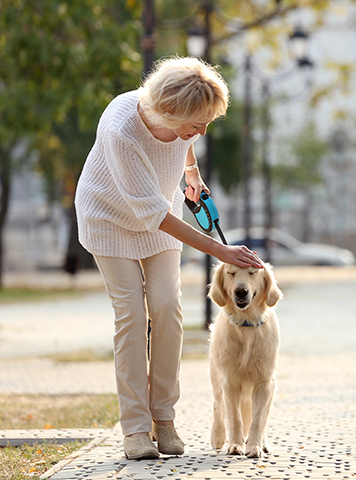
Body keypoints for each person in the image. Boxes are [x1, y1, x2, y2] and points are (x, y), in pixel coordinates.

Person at [75, 56, 263, 460]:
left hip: (158, 215)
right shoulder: (122, 128)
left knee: (166, 307)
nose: (203, 130)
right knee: (131, 314)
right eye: (198, 123)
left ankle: (164, 419)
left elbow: (186, 144)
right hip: (108, 220)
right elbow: (154, 214)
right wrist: (221, 251)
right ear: (169, 110)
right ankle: (135, 429)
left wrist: (191, 174)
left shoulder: (185, 119)